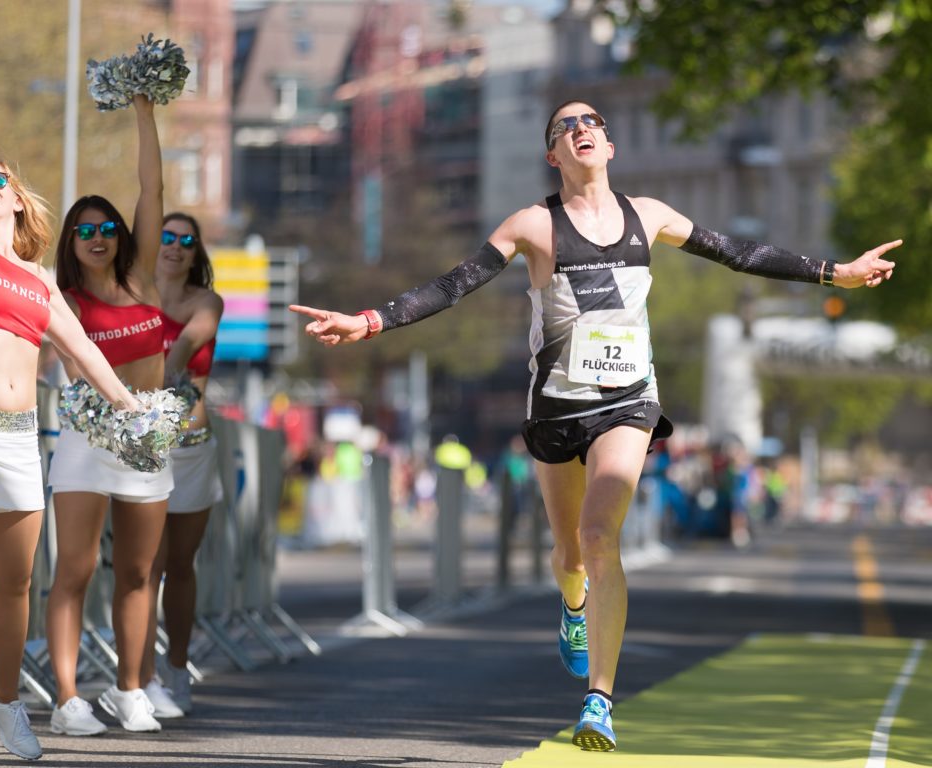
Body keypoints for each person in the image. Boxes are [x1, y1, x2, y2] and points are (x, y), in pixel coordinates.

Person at [290, 100, 900, 752]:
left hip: (628, 401)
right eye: (565, 128)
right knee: (570, 556)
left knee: (599, 536)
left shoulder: (651, 215)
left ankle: (599, 701)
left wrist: (837, 272)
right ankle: (573, 606)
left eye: (592, 124)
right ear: (554, 155)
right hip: (556, 406)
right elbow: (454, 284)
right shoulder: (533, 224)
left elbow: (739, 252)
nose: (581, 130)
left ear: (608, 145)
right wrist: (370, 320)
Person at [0, 79, 142, 768]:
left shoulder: (40, 281)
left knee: (15, 584)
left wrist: (135, 413)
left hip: (16, 440)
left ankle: (2, 700)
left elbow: (84, 352)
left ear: (15, 197)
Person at [45, 94, 180, 735]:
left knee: (136, 571)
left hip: (148, 442)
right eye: (85, 231)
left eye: (107, 229)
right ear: (71, 242)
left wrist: (144, 111)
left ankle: (131, 689)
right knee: (73, 569)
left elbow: (151, 186)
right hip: (85, 442)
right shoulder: (59, 300)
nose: (98, 238)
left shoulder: (145, 280)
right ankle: (68, 698)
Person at [139, 211, 224, 715]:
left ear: (195, 253)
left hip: (191, 447)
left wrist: (166, 373)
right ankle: (141, 675)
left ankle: (177, 664)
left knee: (179, 565)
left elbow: (188, 344)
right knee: (144, 566)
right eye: (165, 236)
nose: (174, 246)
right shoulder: (130, 297)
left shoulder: (207, 301)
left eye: (185, 241)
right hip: (141, 449)